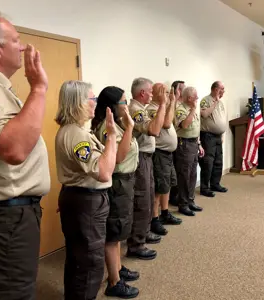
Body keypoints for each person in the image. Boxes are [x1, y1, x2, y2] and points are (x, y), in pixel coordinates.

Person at [0, 10, 50, 300]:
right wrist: (39, 88)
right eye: (16, 40)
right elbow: (13, 149)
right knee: (10, 294)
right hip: (3, 219)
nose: (23, 46)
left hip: (9, 216)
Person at [55, 80, 116, 300]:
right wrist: (111, 135)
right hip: (85, 200)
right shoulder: (76, 135)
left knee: (79, 258)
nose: (95, 104)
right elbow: (104, 172)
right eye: (93, 99)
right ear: (78, 103)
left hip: (81, 198)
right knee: (89, 262)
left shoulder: (77, 131)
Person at [92, 86, 140, 299]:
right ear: (112, 106)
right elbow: (119, 158)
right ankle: (114, 282)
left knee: (120, 229)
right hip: (118, 182)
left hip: (125, 181)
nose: (127, 105)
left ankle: (118, 268)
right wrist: (130, 128)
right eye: (124, 102)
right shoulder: (106, 127)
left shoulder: (116, 125)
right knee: (114, 233)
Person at [127, 77, 167, 260]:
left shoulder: (141, 108)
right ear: (142, 93)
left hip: (147, 158)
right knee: (142, 200)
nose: (153, 94)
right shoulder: (135, 110)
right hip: (140, 159)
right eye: (150, 91)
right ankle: (136, 244)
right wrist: (163, 104)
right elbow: (154, 130)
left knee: (149, 197)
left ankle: (144, 231)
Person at [147, 84, 182, 236]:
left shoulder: (163, 107)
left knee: (166, 185)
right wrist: (172, 102)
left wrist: (170, 103)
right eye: (166, 92)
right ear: (156, 93)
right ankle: (155, 219)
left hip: (168, 154)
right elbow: (167, 123)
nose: (169, 95)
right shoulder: (152, 108)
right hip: (159, 154)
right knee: (159, 188)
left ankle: (165, 212)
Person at [174, 87, 205, 216]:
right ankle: (183, 204)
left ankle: (190, 201)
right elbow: (185, 126)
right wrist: (192, 111)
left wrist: (199, 145)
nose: (197, 99)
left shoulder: (192, 110)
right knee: (184, 176)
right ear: (189, 98)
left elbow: (195, 130)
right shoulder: (181, 110)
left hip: (193, 143)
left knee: (192, 174)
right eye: (196, 97)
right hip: (184, 144)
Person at [199, 81, 228, 197]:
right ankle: (205, 187)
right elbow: (205, 115)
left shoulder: (221, 103)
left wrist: (221, 134)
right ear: (215, 89)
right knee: (208, 162)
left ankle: (215, 184)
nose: (223, 91)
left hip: (217, 136)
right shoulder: (206, 100)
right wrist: (214, 102)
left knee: (218, 161)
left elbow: (220, 119)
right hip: (208, 136)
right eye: (222, 89)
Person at [169, 80, 185, 206]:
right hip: (175, 142)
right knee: (176, 169)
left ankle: (180, 194)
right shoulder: (172, 104)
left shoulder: (183, 104)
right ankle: (173, 196)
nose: (183, 91)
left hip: (181, 141)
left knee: (181, 170)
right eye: (181, 89)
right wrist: (174, 99)